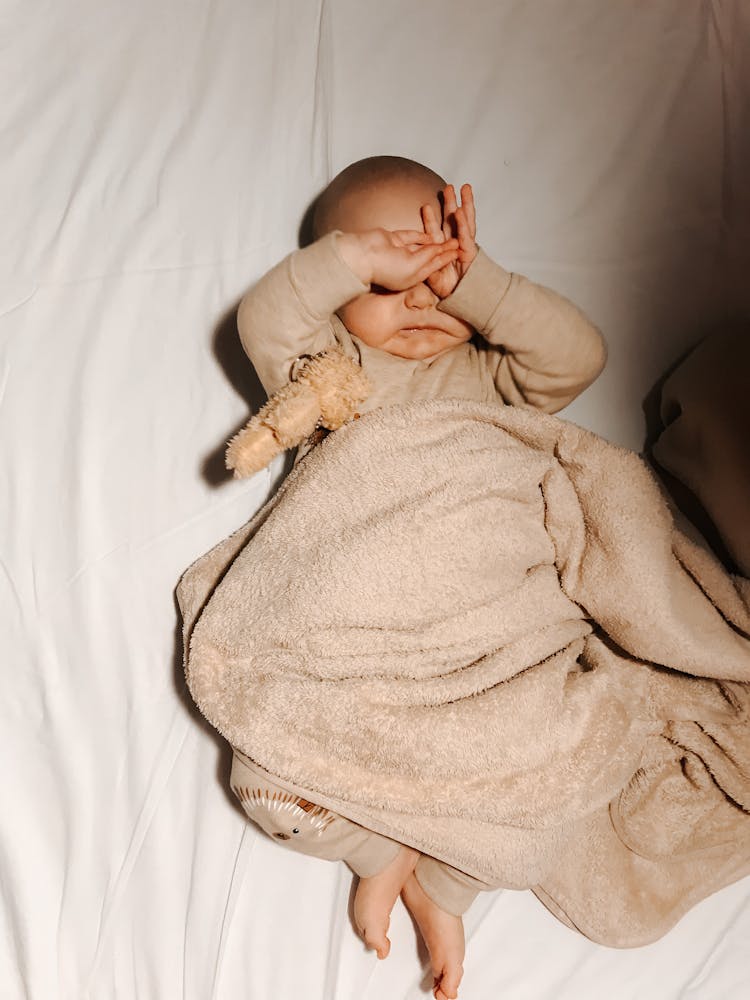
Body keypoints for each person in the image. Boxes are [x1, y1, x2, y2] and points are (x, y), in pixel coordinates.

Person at [231, 155, 607, 999]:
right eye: (387, 274)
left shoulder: (494, 379)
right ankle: (380, 850)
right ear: (339, 291)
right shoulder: (333, 381)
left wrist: (482, 284)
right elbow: (266, 319)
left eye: (437, 272)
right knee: (262, 781)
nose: (421, 298)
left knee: (550, 802)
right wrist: (353, 259)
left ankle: (447, 884)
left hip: (488, 636)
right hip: (356, 636)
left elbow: (579, 355)